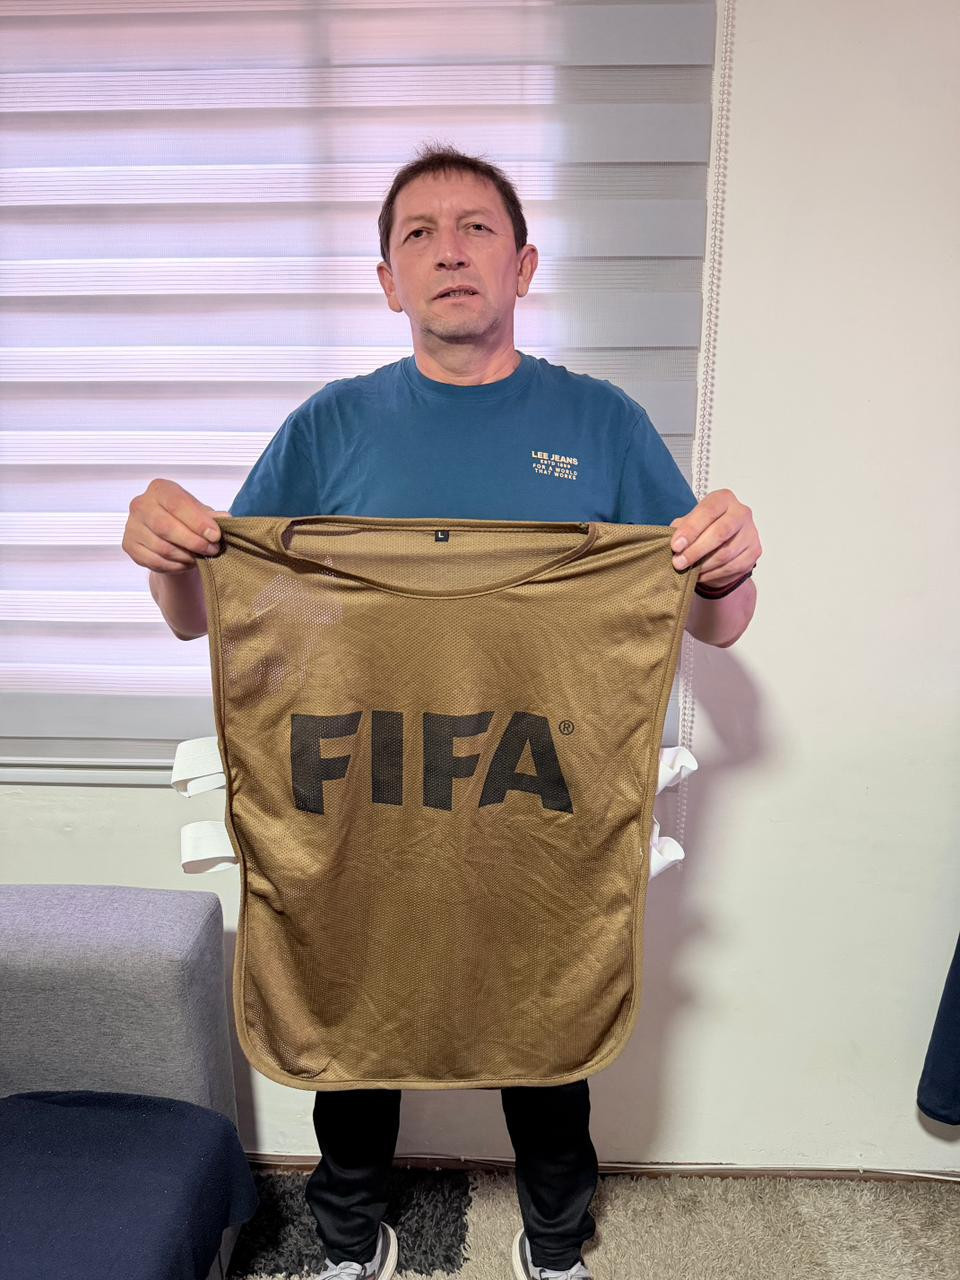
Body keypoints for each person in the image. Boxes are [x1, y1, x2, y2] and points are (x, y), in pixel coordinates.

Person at [123, 144, 762, 1280]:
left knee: (548, 1005)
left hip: (540, 783)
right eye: (418, 233)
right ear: (388, 281)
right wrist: (169, 554)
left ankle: (555, 1241)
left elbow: (716, 621)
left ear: (522, 265)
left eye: (475, 228)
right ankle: (346, 1235)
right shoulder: (332, 425)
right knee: (352, 998)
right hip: (367, 780)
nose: (449, 249)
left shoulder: (602, 423)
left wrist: (728, 560)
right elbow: (210, 614)